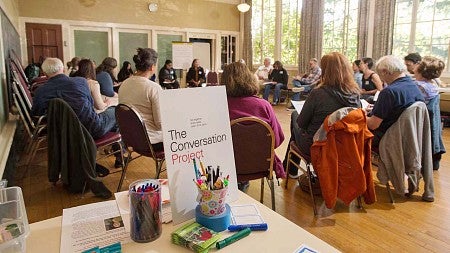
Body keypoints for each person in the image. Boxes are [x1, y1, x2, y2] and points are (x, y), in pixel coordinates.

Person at [31, 58, 120, 197]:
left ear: (44, 72)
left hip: (62, 135)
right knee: (116, 111)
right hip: (92, 129)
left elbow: (36, 113)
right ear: (63, 69)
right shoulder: (80, 82)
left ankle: (115, 156)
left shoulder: (40, 92)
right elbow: (94, 107)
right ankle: (120, 156)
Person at [286, 52, 361, 178]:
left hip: (318, 145)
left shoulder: (318, 94)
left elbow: (302, 123)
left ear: (325, 71)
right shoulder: (355, 94)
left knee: (295, 117)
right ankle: (289, 169)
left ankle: (290, 170)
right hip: (344, 146)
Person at [222, 62, 285, 191]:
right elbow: (277, 140)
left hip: (227, 165)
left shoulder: (219, 105)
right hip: (260, 164)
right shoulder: (264, 105)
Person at [366, 55, 424, 148]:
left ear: (385, 72)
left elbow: (373, 125)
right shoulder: (413, 86)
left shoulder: (389, 92)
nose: (381, 79)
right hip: (407, 136)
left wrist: (359, 115)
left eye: (380, 75)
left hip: (386, 137)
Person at [119, 48, 164, 152]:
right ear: (152, 67)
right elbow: (160, 124)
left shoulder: (124, 84)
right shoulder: (153, 88)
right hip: (152, 142)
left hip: (131, 140)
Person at [414, 56, 446, 170]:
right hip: (432, 123)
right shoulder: (433, 83)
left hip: (420, 122)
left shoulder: (419, 86)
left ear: (421, 70)